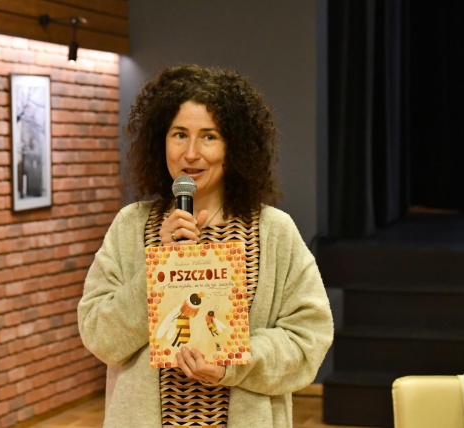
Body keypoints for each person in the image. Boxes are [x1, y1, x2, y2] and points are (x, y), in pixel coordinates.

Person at [77, 64, 333, 427]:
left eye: (209, 137)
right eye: (179, 134)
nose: (191, 153)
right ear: (161, 141)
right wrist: (159, 268)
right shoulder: (131, 227)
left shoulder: (273, 231)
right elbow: (99, 335)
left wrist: (235, 363)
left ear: (234, 147)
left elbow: (308, 338)